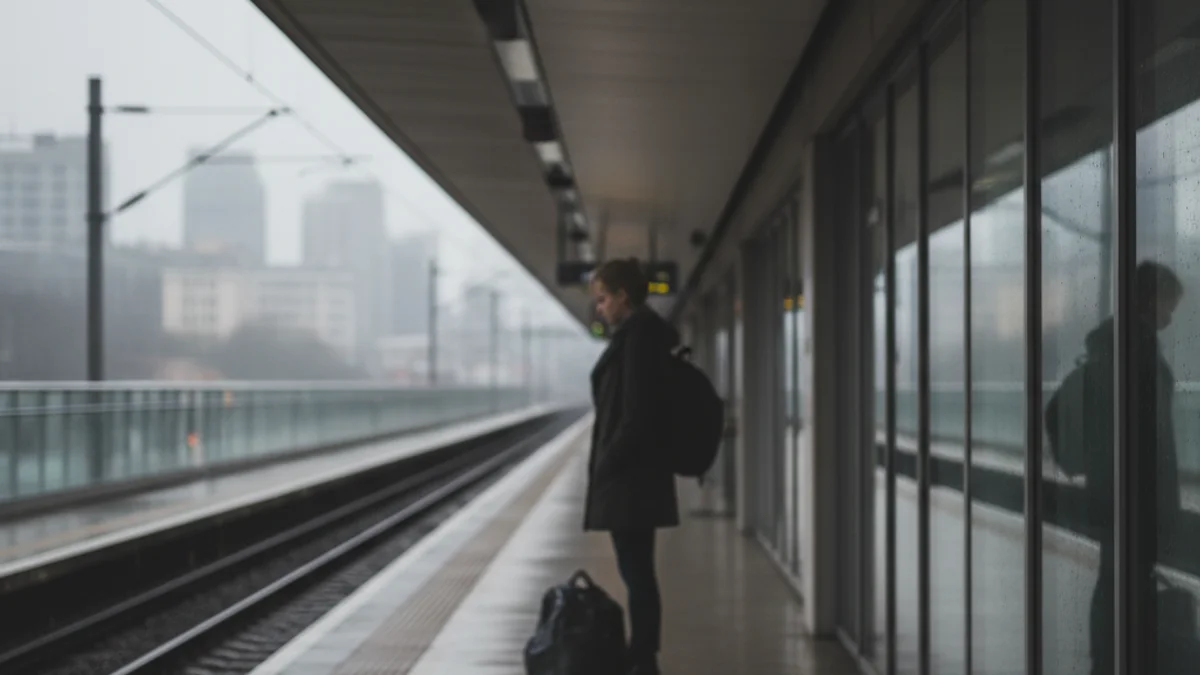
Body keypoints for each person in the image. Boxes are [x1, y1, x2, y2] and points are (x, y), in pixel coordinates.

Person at [1077, 260, 1183, 675]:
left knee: (1113, 580)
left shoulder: (1113, 345)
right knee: (1125, 584)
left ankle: (1109, 659)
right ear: (1149, 298)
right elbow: (1151, 437)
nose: (1170, 317)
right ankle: (1118, 660)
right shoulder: (1133, 348)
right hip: (1133, 497)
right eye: (1168, 305)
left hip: (1112, 492)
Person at [584, 258, 679, 675]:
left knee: (637, 572)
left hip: (632, 477)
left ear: (623, 296)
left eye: (603, 299)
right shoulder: (637, 335)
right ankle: (642, 656)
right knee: (637, 570)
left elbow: (636, 415)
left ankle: (643, 659)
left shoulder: (638, 338)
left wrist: (608, 463)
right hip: (638, 476)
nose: (599, 308)